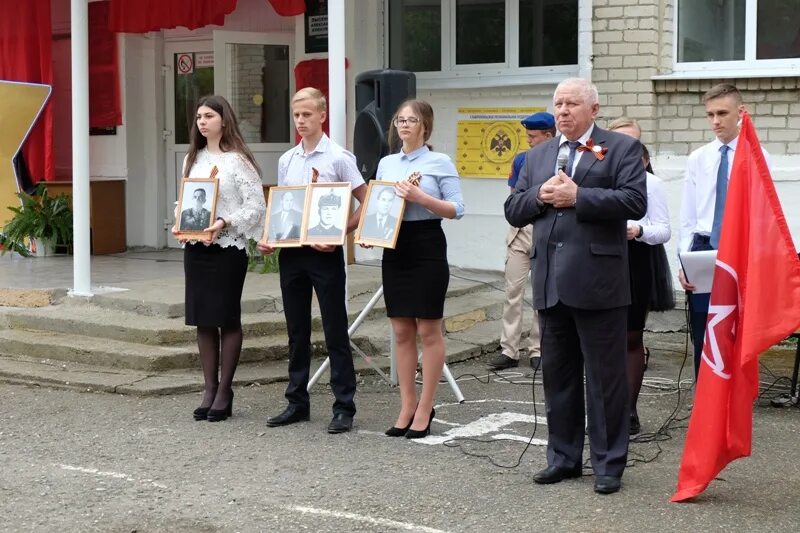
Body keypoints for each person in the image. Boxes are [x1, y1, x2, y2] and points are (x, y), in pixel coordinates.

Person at [504, 78, 647, 494]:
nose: (563, 111)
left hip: (598, 283)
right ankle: (564, 458)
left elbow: (634, 202)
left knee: (605, 380)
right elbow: (514, 209)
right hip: (550, 282)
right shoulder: (539, 154)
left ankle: (607, 465)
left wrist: (579, 197)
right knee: (559, 378)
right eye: (558, 103)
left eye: (571, 104)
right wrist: (542, 198)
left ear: (594, 110)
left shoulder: (620, 149)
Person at [257, 87, 367, 434]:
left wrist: (338, 235)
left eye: (307, 114)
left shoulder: (338, 158)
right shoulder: (288, 159)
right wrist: (269, 237)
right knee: (296, 330)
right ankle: (297, 402)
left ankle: (343, 406)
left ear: (322, 115)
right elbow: (284, 208)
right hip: (292, 254)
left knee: (335, 328)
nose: (300, 121)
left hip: (325, 255)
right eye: (296, 115)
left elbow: (367, 203)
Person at [172, 95, 266, 422]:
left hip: (227, 249)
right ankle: (209, 388)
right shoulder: (193, 158)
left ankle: (225, 390)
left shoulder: (238, 161)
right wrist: (180, 222)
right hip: (197, 249)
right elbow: (184, 199)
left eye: (208, 116)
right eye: (198, 116)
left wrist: (224, 223)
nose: (202, 121)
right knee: (202, 318)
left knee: (226, 317)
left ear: (223, 120)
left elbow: (256, 206)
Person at [376, 99, 464, 439]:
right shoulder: (386, 163)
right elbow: (378, 204)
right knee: (400, 330)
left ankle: (426, 406)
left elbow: (457, 208)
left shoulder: (439, 161)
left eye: (411, 120)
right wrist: (371, 231)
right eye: (400, 120)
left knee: (429, 329)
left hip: (426, 243)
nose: (404, 125)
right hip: (395, 246)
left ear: (425, 125)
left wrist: (421, 198)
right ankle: (407, 405)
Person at [678, 83, 771, 381]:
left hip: (740, 248)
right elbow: (688, 215)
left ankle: (736, 402)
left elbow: (762, 214)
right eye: (710, 114)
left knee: (738, 330)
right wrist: (683, 262)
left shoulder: (757, 156)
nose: (716, 121)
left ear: (741, 113)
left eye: (722, 113)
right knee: (705, 330)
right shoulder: (698, 158)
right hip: (704, 249)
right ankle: (706, 406)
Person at [608, 117, 674, 435]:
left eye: (632, 142)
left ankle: (627, 411)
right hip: (599, 261)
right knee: (600, 339)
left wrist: (638, 228)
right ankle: (604, 407)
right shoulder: (595, 174)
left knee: (630, 338)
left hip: (635, 260)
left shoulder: (651, 183)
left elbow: (663, 230)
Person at [487, 111, 555, 372]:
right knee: (512, 292)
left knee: (542, 294)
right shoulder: (521, 160)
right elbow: (515, 196)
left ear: (548, 136)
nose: (529, 141)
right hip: (521, 230)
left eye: (533, 136)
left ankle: (538, 348)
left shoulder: (560, 159)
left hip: (546, 231)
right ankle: (509, 349)